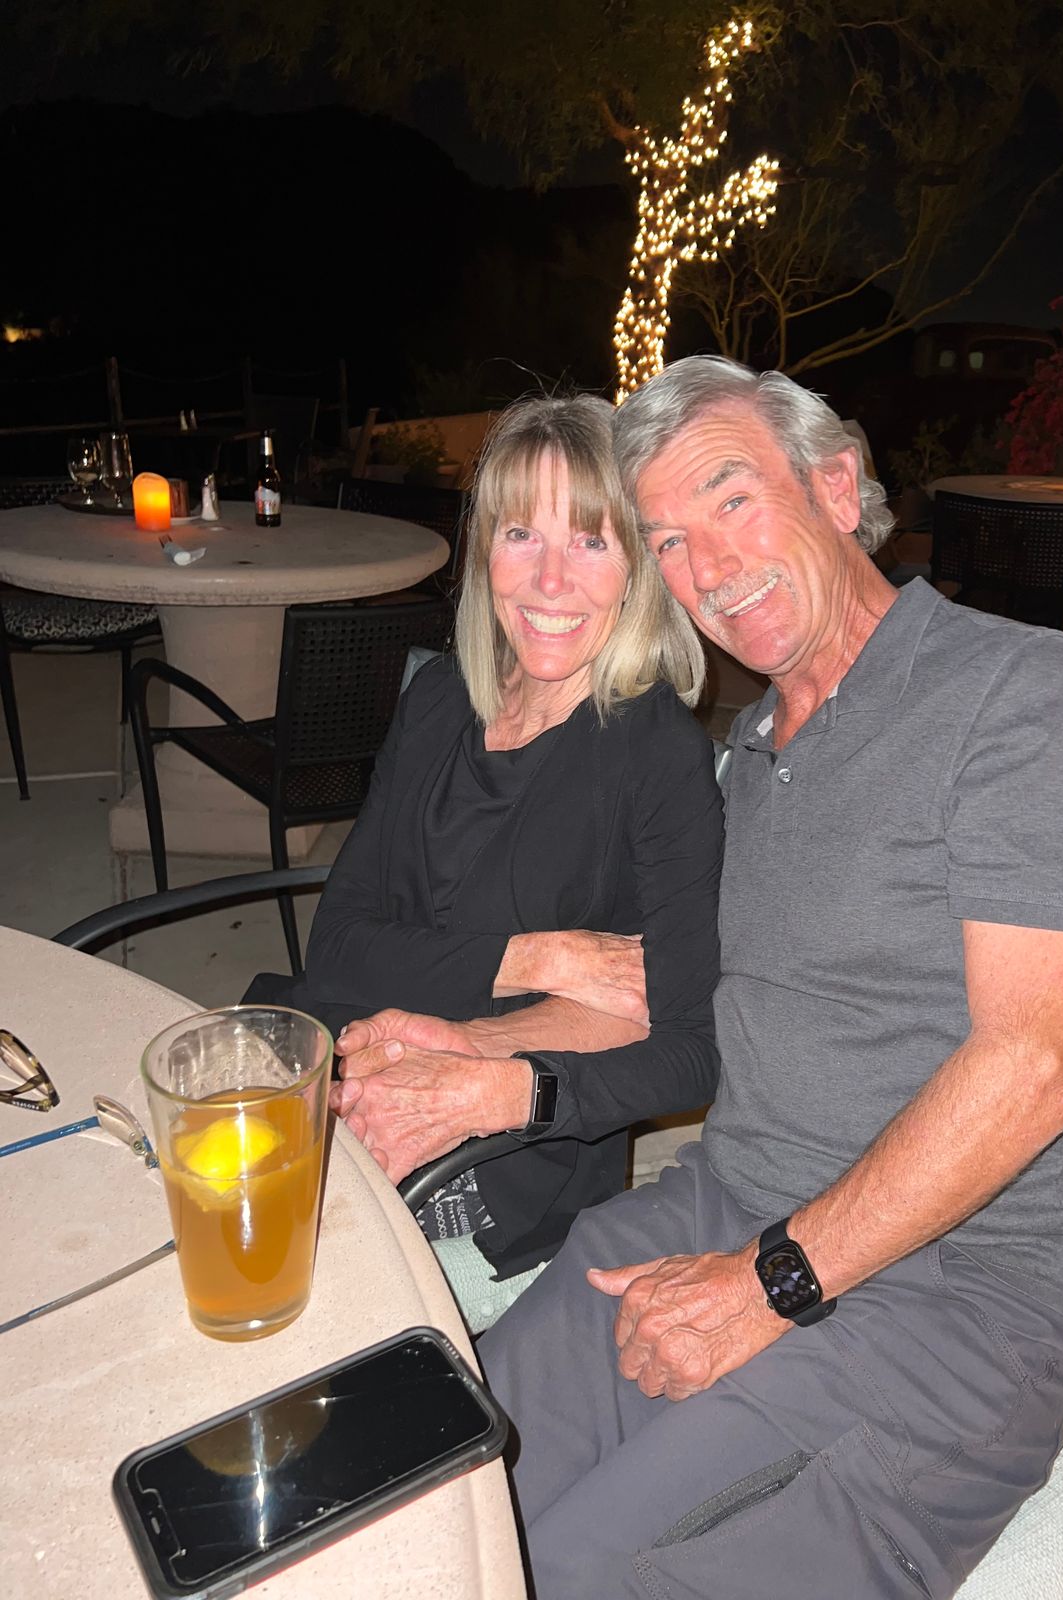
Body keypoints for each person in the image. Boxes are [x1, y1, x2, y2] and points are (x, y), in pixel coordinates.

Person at [473, 356, 1063, 1598]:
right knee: (449, 1477)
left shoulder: (1015, 691)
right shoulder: (748, 754)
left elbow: (1038, 1065)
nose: (710, 565)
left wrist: (771, 1280)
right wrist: (454, 1050)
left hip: (966, 1293)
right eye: (670, 542)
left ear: (838, 488)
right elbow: (675, 990)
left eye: (732, 499)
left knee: (578, 1569)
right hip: (726, 1200)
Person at [291, 394, 724, 1331]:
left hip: (503, 1164)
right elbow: (336, 945)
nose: (550, 580)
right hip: (351, 1056)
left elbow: (694, 1050)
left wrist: (481, 1067)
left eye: (592, 541)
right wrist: (537, 959)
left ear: (639, 568)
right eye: (521, 533)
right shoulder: (441, 698)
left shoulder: (657, 756)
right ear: (484, 549)